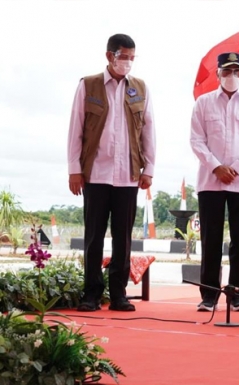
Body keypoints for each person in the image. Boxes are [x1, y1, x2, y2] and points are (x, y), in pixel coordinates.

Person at [67, 34, 156, 312]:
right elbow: (76, 128)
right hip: (95, 173)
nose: (127, 62)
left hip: (128, 174)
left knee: (123, 237)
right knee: (94, 236)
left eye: (132, 57)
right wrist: (74, 170)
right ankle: (91, 293)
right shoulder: (88, 85)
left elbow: (149, 130)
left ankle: (118, 293)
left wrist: (149, 169)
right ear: (110, 56)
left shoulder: (140, 88)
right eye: (123, 56)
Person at [190, 52, 239, 312]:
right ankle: (209, 295)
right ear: (219, 73)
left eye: (236, 72)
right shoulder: (203, 103)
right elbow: (196, 141)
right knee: (211, 240)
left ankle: (236, 295)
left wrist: (235, 168)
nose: (231, 76)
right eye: (227, 71)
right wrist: (216, 167)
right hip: (210, 181)